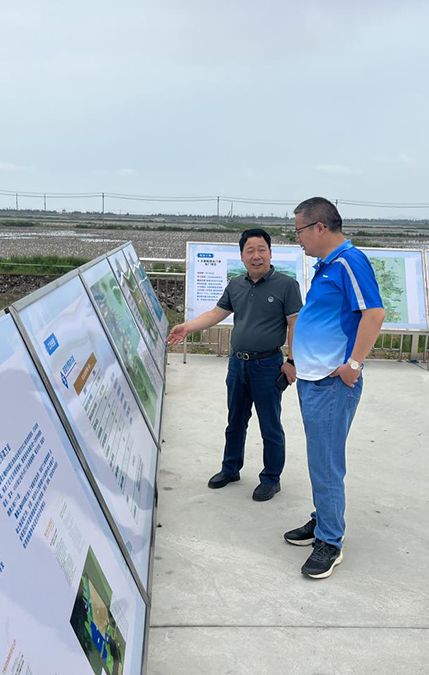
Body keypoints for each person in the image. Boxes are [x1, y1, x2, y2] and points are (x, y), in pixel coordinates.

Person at [283, 197, 385, 579]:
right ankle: (322, 519)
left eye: (299, 230)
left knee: (326, 463)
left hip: (331, 382)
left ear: (319, 227)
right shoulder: (328, 265)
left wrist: (353, 365)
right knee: (319, 459)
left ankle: (330, 541)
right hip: (314, 379)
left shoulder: (349, 262)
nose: (298, 239)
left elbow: (374, 313)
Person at [167, 228, 303, 501]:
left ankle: (271, 478)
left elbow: (295, 324)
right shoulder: (236, 284)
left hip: (268, 365)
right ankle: (230, 469)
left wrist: (292, 361)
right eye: (250, 250)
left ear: (270, 253)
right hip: (237, 364)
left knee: (270, 425)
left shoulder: (287, 285)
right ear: (242, 256)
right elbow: (216, 313)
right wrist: (187, 327)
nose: (256, 256)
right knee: (235, 421)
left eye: (261, 249)